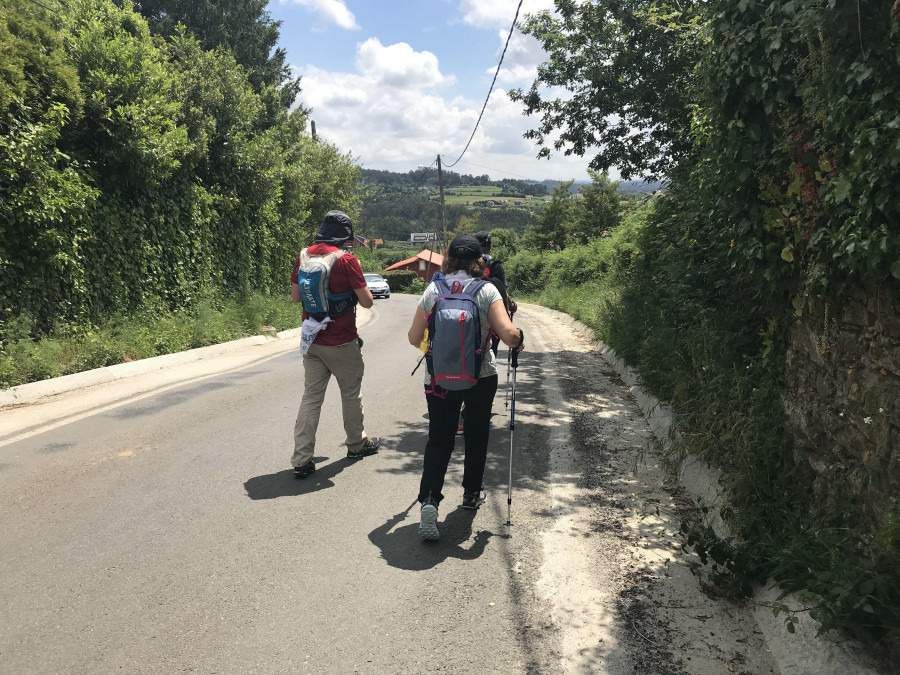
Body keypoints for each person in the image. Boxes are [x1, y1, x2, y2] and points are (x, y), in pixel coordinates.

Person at [407, 234, 525, 540]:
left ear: (448, 259)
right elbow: (508, 335)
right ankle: (471, 494)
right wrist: (518, 338)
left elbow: (413, 336)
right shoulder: (486, 290)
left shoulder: (434, 288)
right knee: (476, 435)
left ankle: (430, 500)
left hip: (438, 379)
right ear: (479, 261)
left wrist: (441, 353)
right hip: (480, 376)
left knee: (439, 439)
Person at [289, 210, 380, 479]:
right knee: (350, 393)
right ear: (345, 236)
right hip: (341, 340)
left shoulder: (304, 255)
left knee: (311, 398)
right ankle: (356, 445)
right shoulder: (346, 260)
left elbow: (296, 297)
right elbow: (367, 302)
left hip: (312, 339)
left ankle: (301, 459)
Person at [474, 231, 517, 355]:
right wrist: (511, 304)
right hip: (495, 314)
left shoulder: (470, 265)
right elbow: (502, 289)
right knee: (491, 349)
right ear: (489, 246)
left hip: (475, 312)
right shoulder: (496, 265)